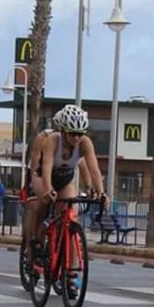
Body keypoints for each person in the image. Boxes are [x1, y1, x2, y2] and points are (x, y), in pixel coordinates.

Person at [28, 105, 109, 265]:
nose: (77, 138)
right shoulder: (51, 139)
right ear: (63, 131)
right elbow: (46, 167)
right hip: (44, 176)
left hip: (65, 180)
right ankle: (35, 238)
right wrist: (48, 189)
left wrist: (100, 192)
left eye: (80, 134)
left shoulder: (85, 143)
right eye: (73, 134)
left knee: (71, 218)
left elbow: (93, 168)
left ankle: (70, 271)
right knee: (44, 202)